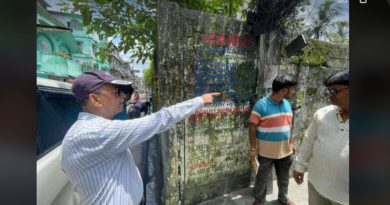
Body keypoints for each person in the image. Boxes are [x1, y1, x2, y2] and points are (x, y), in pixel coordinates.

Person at [60, 70, 219, 205]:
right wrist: (200, 100)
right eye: (116, 92)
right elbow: (159, 120)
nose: (122, 97)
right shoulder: (95, 133)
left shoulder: (84, 131)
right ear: (95, 99)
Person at [293, 69, 349, 205]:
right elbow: (309, 139)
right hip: (316, 185)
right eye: (328, 91)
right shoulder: (323, 114)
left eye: (334, 91)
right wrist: (299, 166)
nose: (329, 95)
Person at [249, 74, 298, 205]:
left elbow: (290, 125)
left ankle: (283, 198)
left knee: (284, 178)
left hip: (285, 151)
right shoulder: (261, 105)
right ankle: (259, 201)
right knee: (261, 179)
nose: (294, 92)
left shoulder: (287, 104)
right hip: (265, 152)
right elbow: (252, 127)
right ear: (284, 90)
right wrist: (253, 148)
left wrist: (292, 142)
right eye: (292, 89)